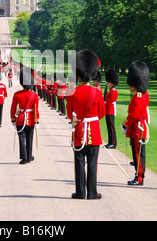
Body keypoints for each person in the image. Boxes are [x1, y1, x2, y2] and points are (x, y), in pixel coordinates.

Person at [66, 50, 105, 200]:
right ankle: (93, 193)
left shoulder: (72, 92)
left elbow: (70, 114)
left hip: (79, 131)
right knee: (93, 163)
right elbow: (101, 113)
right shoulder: (97, 92)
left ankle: (80, 192)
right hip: (93, 131)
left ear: (78, 75)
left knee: (79, 162)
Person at [122, 61, 150, 186]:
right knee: (137, 153)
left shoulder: (138, 98)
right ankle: (138, 176)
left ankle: (139, 178)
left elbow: (133, 115)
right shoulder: (141, 95)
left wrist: (125, 124)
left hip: (137, 129)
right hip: (138, 128)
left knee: (138, 154)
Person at [11, 66, 40, 164]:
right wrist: (37, 120)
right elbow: (36, 110)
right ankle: (29, 156)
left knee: (21, 139)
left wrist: (13, 120)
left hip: (20, 119)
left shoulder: (17, 94)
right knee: (29, 139)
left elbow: (13, 108)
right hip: (31, 119)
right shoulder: (34, 95)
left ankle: (24, 158)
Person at [104, 69, 119, 149]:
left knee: (111, 128)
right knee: (109, 128)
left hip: (110, 110)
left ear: (112, 82)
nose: (108, 84)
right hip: (108, 111)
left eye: (109, 82)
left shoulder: (113, 91)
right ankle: (110, 142)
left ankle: (113, 143)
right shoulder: (110, 90)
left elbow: (109, 102)